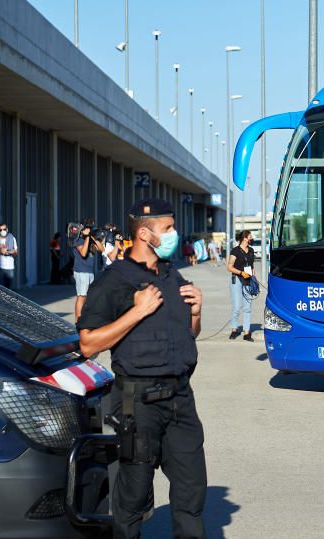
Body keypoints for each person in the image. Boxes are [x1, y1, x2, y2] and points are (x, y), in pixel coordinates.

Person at [77, 197, 206, 539]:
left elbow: (188, 335)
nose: (175, 234)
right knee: (132, 498)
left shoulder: (171, 275)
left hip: (180, 397)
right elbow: (88, 344)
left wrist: (195, 313)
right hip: (137, 401)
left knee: (192, 492)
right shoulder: (113, 280)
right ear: (146, 234)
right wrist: (137, 312)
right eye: (169, 228)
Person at [226, 230, 256, 341]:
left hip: (248, 280)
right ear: (245, 238)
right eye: (250, 236)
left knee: (247, 307)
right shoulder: (235, 251)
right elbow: (229, 267)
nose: (251, 238)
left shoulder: (251, 250)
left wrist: (254, 278)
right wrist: (240, 273)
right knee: (237, 307)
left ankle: (247, 332)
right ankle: (234, 329)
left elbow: (252, 266)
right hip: (237, 280)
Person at [73, 223, 105, 322]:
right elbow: (83, 253)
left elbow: (101, 249)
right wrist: (87, 237)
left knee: (87, 297)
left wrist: (93, 237)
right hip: (81, 271)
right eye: (86, 230)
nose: (88, 231)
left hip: (89, 272)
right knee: (81, 296)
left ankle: (84, 318)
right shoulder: (78, 240)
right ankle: (78, 320)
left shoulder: (90, 240)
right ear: (81, 231)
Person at [0, 223, 18, 289]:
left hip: (10, 267)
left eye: (4, 229)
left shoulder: (12, 238)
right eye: (0, 230)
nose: (2, 231)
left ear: (7, 229)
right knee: (0, 289)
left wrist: (9, 251)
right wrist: (0, 252)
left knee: (9, 289)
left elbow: (16, 251)